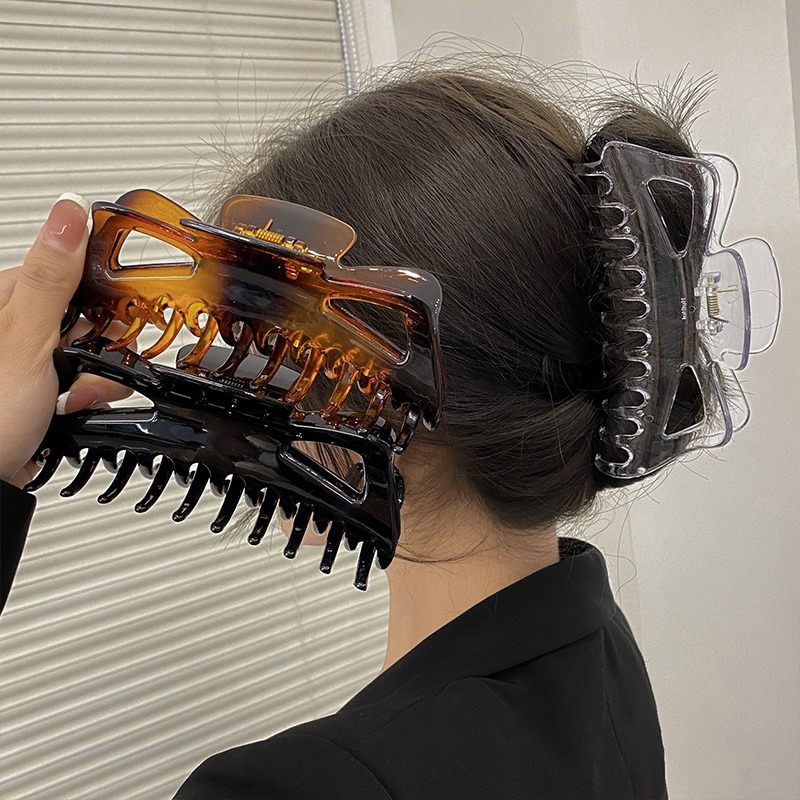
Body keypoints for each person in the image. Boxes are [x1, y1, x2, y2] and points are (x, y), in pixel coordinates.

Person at [1, 65, 720, 799]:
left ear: (378, 391)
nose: (223, 384)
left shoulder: (300, 788)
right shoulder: (592, 649)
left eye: (258, 352)